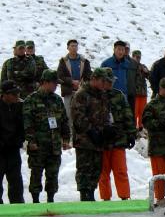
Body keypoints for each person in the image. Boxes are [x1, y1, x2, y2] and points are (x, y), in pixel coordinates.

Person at [22, 70, 71, 203]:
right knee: (36, 174)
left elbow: (64, 121)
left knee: (52, 174)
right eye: (55, 83)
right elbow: (27, 123)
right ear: (46, 82)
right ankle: (35, 200)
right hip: (38, 146)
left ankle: (51, 198)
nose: (56, 86)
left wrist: (66, 139)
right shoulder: (31, 100)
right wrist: (31, 141)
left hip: (54, 145)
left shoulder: (57, 100)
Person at [71, 68, 113, 201]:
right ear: (94, 79)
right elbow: (78, 116)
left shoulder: (102, 95)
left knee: (96, 168)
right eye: (102, 81)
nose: (104, 84)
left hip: (99, 140)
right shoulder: (82, 94)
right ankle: (84, 195)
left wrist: (107, 130)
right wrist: (91, 131)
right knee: (84, 169)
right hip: (85, 140)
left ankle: (91, 193)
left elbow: (106, 114)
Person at [142, 78, 165, 207]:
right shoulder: (151, 105)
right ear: (162, 89)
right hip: (158, 146)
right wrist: (162, 123)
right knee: (159, 175)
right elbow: (146, 123)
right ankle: (160, 198)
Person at [98, 75, 136, 201]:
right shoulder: (95, 96)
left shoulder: (119, 95)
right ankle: (105, 198)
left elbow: (128, 115)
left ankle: (125, 197)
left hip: (118, 140)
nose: (110, 83)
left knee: (120, 171)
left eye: (111, 81)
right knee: (103, 172)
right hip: (102, 141)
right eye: (108, 81)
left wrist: (131, 133)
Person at [56, 39, 91, 129]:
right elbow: (60, 76)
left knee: (81, 113)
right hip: (68, 91)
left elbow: (89, 75)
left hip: (82, 91)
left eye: (76, 46)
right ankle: (69, 135)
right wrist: (71, 81)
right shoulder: (63, 61)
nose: (74, 48)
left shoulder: (84, 61)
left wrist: (82, 83)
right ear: (68, 48)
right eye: (72, 46)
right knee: (68, 114)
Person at [0, 81, 25, 204]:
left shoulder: (19, 106)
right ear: (5, 94)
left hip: (13, 150)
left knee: (16, 182)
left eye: (17, 93)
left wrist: (19, 140)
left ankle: (18, 205)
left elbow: (22, 127)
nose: (17, 96)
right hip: (1, 150)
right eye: (14, 94)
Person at [130, 50, 149, 129]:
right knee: (135, 111)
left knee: (142, 111)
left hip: (143, 93)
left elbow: (149, 76)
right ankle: (134, 127)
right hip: (135, 93)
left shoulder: (143, 66)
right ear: (133, 56)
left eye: (139, 57)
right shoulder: (131, 66)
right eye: (137, 57)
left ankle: (140, 126)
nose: (138, 59)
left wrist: (146, 72)